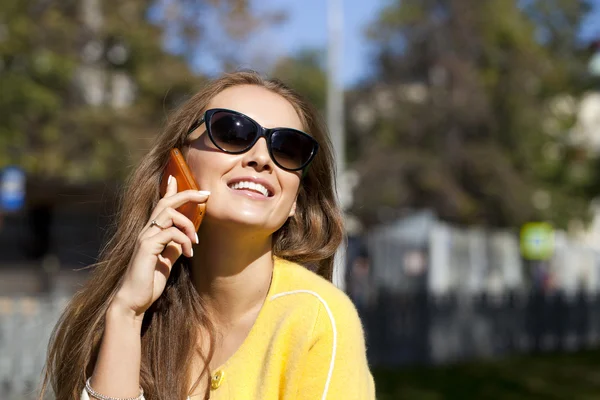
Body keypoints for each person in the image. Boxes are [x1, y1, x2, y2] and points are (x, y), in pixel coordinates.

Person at [40, 71, 375, 400]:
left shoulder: (318, 319)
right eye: (231, 132)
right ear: (177, 164)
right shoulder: (119, 311)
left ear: (295, 201)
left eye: (288, 148)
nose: (261, 159)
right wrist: (127, 314)